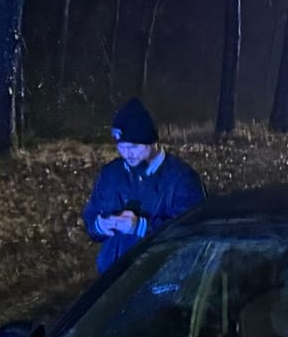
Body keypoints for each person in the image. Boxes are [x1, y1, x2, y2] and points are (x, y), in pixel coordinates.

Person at [81, 98, 206, 274]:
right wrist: (100, 225)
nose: (127, 153)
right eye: (121, 147)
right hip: (112, 281)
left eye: (133, 146)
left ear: (151, 142)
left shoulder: (182, 179)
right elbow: (91, 216)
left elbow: (193, 232)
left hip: (161, 280)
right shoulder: (111, 174)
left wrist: (141, 227)